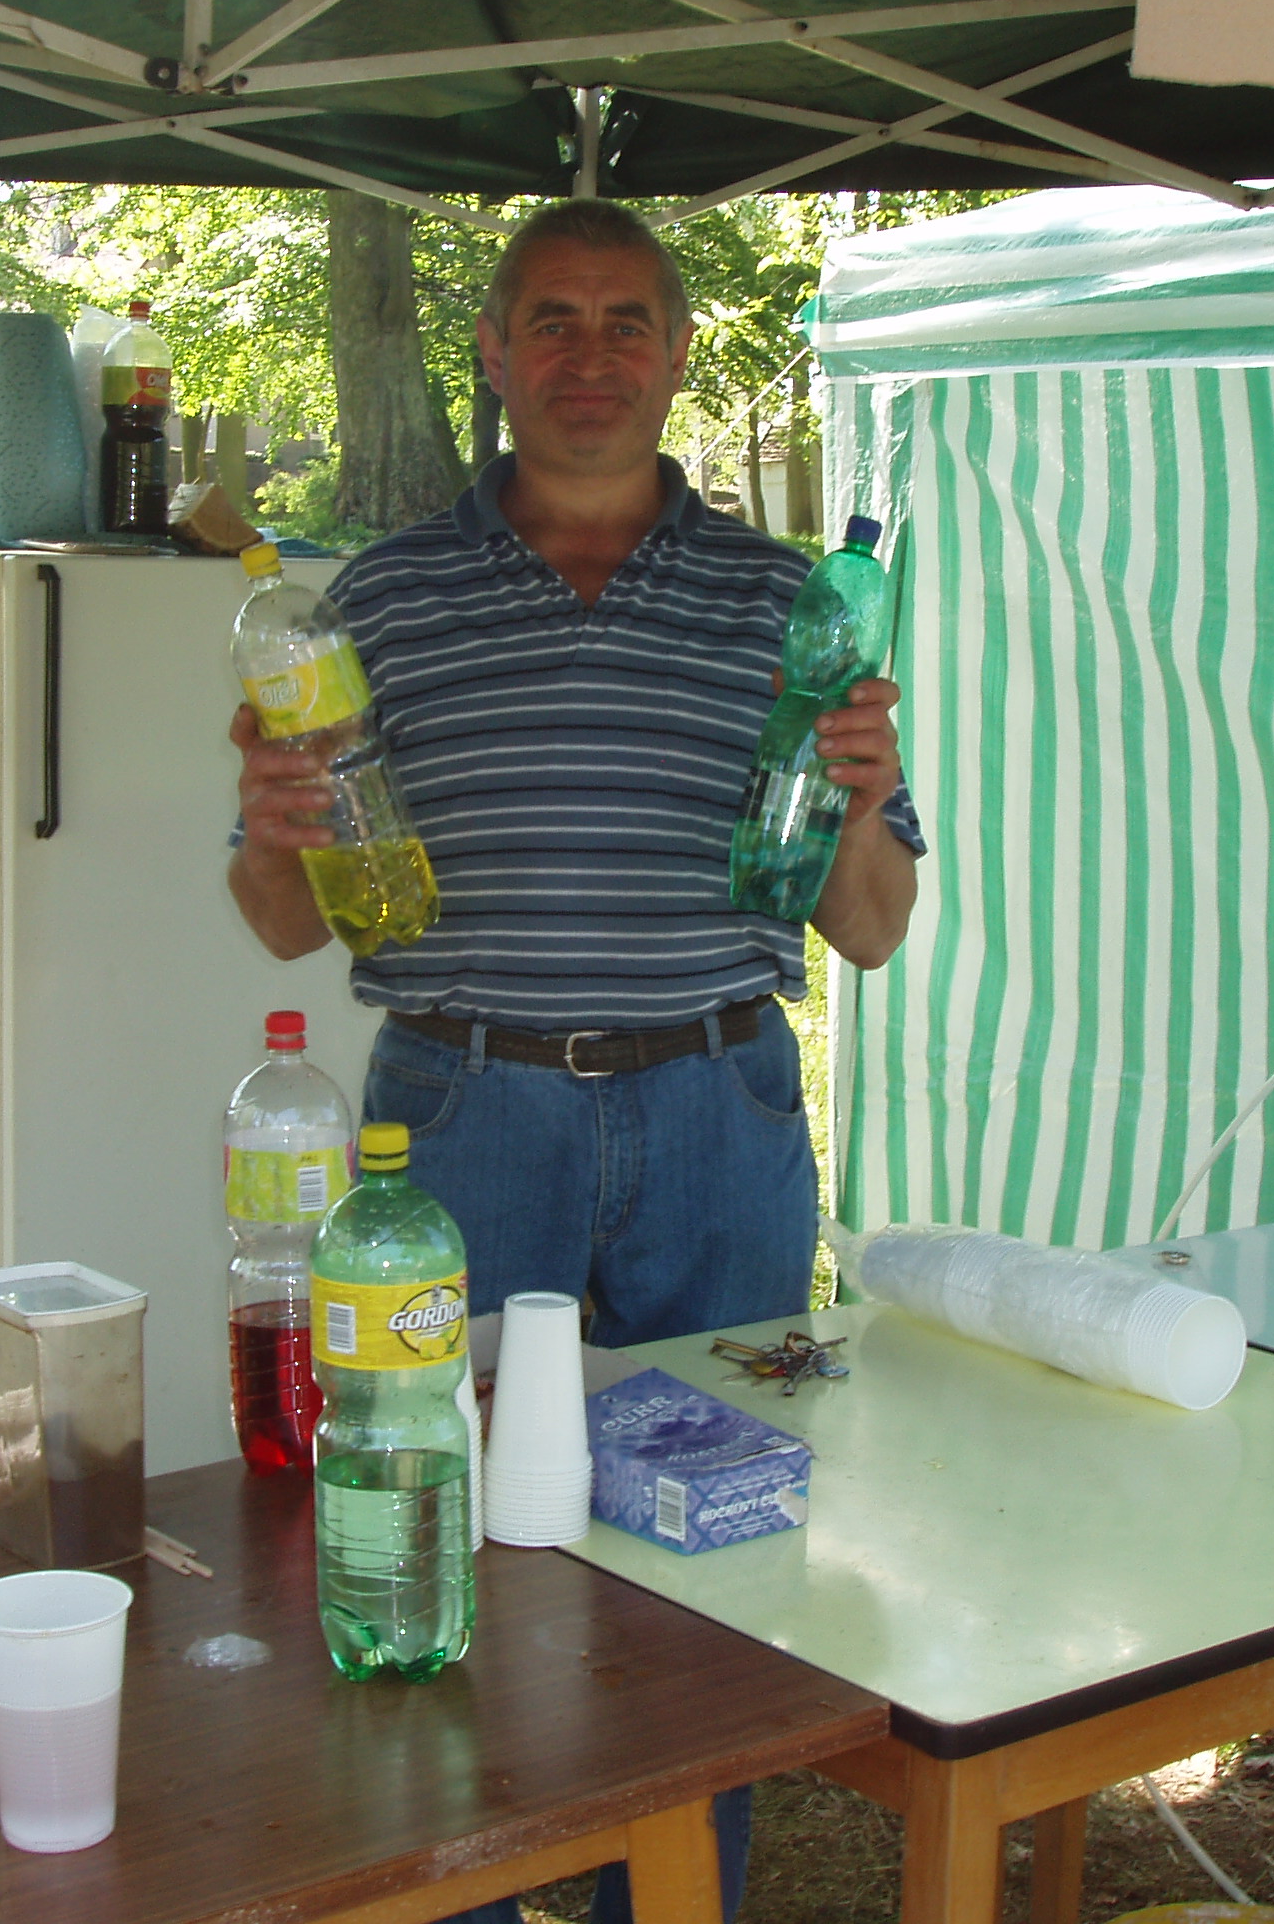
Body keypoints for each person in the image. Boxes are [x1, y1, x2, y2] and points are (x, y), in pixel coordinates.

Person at [227, 198, 922, 1923]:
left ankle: (668, 1893)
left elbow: (874, 928)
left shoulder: (790, 602)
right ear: (492, 350)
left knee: (722, 1545)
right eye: (552, 319)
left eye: (626, 322)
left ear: (679, 353)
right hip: (460, 1126)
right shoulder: (382, 595)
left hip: (718, 1112)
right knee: (424, 1514)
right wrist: (273, 820)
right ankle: (459, 1885)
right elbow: (279, 921)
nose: (589, 356)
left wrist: (860, 797)